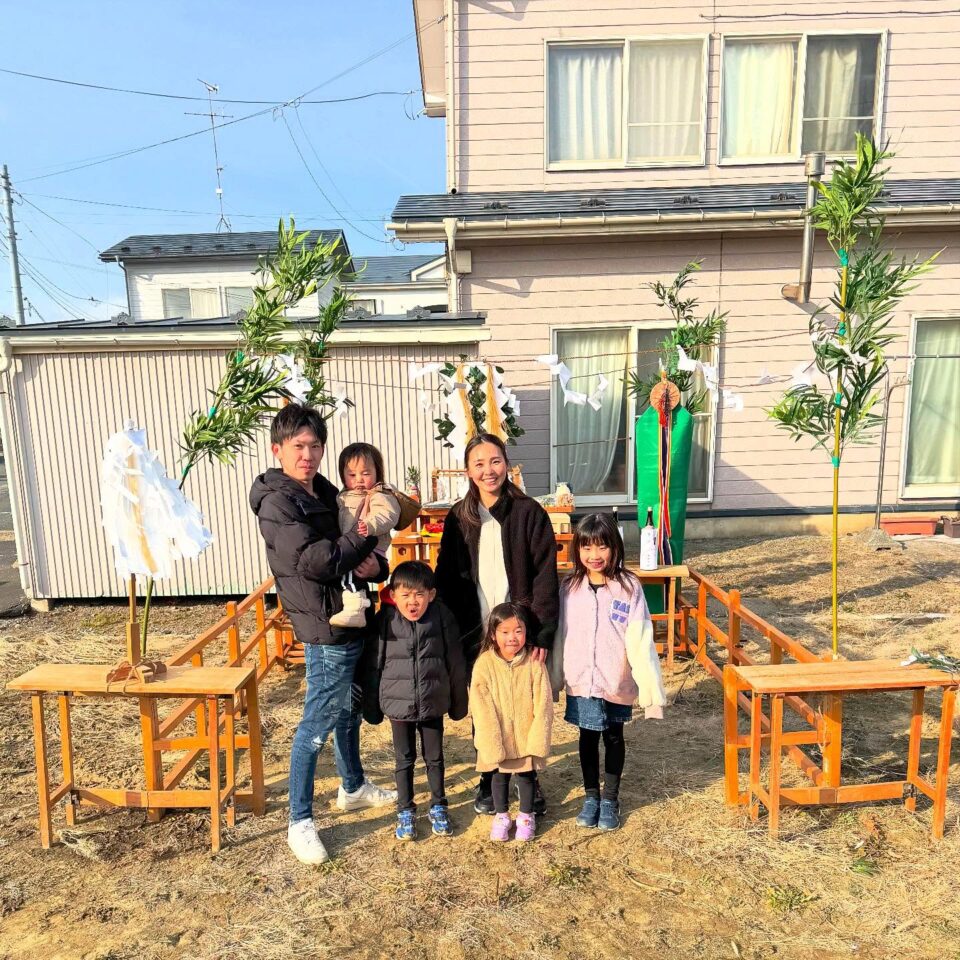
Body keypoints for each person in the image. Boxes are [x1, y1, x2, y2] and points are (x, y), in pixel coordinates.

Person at [249, 403, 397, 866]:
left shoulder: (325, 490)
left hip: (352, 614)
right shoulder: (279, 502)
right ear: (278, 449)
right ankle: (299, 820)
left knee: (349, 710)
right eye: (298, 446)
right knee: (316, 723)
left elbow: (357, 549)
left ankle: (352, 785)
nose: (308, 455)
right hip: (324, 625)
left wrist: (379, 565)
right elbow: (315, 562)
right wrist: (367, 539)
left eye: (315, 446)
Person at [435, 433, 559, 816]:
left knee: (523, 707)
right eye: (479, 464)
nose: (488, 471)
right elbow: (447, 577)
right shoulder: (459, 516)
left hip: (517, 634)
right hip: (477, 631)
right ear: (469, 471)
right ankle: (489, 777)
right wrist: (450, 629)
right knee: (486, 705)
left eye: (495, 461)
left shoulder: (529, 512)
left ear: (506, 463)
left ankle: (528, 778)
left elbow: (544, 577)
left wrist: (541, 633)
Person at [550, 513, 667, 832]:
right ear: (577, 550)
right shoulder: (569, 588)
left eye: (602, 546)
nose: (594, 555)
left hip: (617, 679)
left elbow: (641, 640)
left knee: (614, 736)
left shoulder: (629, 587)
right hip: (581, 680)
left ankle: (611, 798)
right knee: (587, 737)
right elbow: (561, 635)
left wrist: (650, 691)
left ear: (614, 548)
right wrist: (555, 679)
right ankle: (591, 796)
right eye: (586, 547)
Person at [372, 561, 468, 841]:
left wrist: (458, 702)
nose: (413, 602)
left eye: (419, 594)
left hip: (432, 701)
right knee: (404, 759)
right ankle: (405, 808)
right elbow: (373, 663)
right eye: (405, 594)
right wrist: (371, 705)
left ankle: (438, 805)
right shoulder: (386, 620)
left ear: (431, 594)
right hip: (398, 704)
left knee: (435, 758)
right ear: (393, 594)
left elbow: (455, 661)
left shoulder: (442, 617)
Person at [470, 603, 553, 842]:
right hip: (499, 736)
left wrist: (538, 735)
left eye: (518, 631)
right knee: (498, 776)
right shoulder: (485, 664)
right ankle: (502, 815)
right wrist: (490, 738)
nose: (512, 638)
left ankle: (526, 816)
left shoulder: (534, 663)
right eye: (504, 632)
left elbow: (543, 701)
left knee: (526, 776)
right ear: (493, 635)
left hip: (526, 735)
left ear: (526, 632)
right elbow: (480, 704)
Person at [331, 442, 401, 629]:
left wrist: (370, 525)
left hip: (370, 547)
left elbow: (387, 514)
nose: (359, 480)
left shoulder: (379, 494)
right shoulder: (343, 496)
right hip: (351, 546)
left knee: (350, 572)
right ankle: (355, 606)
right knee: (348, 571)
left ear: (377, 472)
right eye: (352, 475)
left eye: (366, 473)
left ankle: (356, 607)